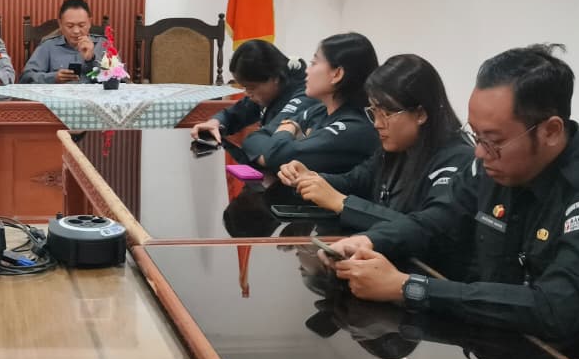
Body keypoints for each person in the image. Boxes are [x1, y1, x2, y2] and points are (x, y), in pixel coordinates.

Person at [327, 45, 579, 342]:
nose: (479, 152)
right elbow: (435, 221)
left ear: (551, 131)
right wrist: (370, 241)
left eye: (493, 140)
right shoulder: (489, 168)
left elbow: (555, 307)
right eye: (475, 135)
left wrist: (410, 288)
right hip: (497, 346)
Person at [278, 54, 473, 232]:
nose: (377, 124)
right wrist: (311, 178)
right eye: (373, 112)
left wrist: (342, 203)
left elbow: (425, 230)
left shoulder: (457, 159)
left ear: (420, 114)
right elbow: (355, 180)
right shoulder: (398, 147)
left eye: (386, 113)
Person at [245, 33, 380, 174]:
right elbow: (253, 138)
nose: (307, 71)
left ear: (337, 74)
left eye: (314, 63)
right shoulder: (319, 110)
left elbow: (277, 156)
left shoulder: (353, 128)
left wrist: (287, 127)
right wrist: (280, 145)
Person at [189, 39, 315, 165]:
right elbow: (238, 112)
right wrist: (216, 122)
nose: (247, 93)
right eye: (245, 88)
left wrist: (252, 142)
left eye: (251, 87)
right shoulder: (275, 86)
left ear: (275, 78)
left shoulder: (305, 94)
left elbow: (269, 140)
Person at [19, 0, 106, 84]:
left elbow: (113, 79)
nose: (76, 31)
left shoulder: (103, 44)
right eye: (70, 26)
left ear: (89, 23)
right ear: (60, 24)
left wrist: (91, 60)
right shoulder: (48, 46)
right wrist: (53, 78)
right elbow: (25, 78)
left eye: (81, 25)